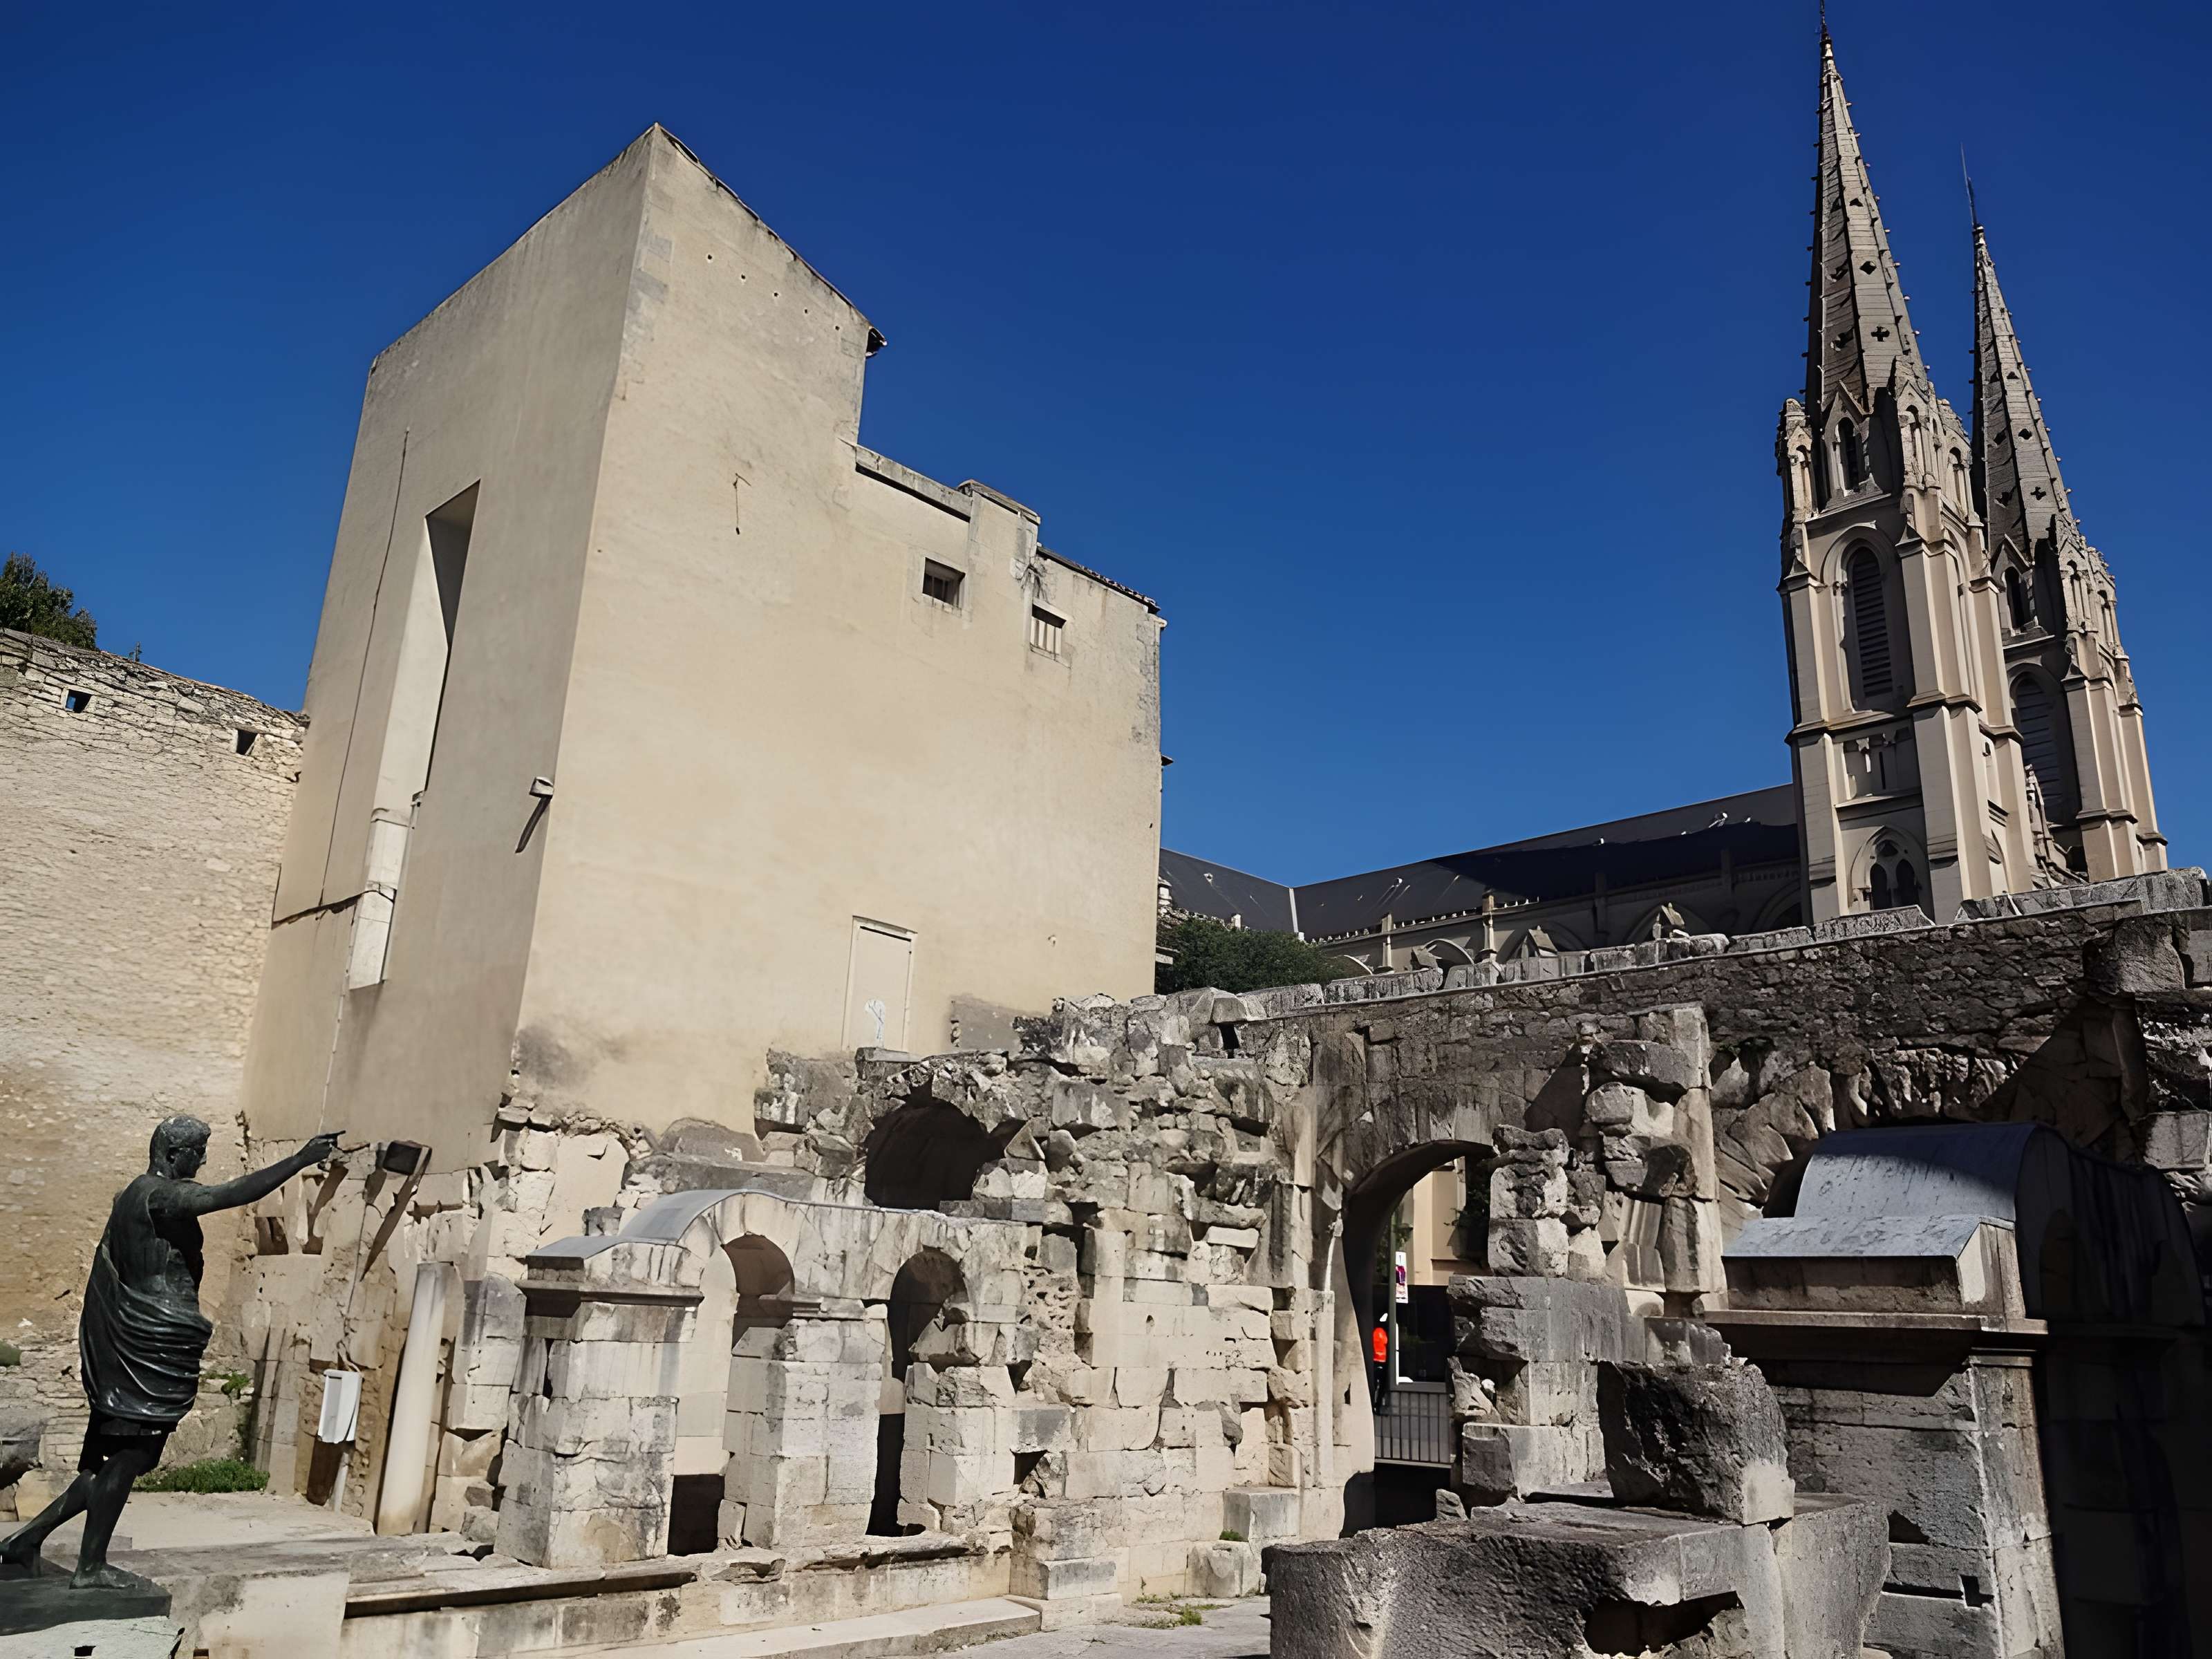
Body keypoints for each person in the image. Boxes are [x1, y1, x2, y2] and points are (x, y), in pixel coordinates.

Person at [1, 1118, 340, 1588]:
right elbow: (226, 1195)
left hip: (138, 1347)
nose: (203, 1160)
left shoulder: (131, 1195)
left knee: (110, 1463)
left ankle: (26, 1541)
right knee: (127, 1459)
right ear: (175, 1154)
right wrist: (300, 1160)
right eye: (198, 1152)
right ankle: (90, 1568)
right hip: (149, 1349)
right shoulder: (160, 1196)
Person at [1369, 1321, 1391, 1410]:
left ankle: (1373, 1403)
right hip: (1383, 1360)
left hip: (1375, 1360)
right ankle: (1378, 1405)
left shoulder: (1374, 1332)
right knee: (1381, 1385)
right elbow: (1386, 1342)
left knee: (1374, 1384)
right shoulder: (1383, 1333)